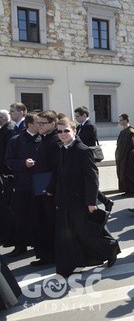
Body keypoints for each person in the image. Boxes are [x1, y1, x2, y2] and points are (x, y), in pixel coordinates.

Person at [48, 117, 120, 277]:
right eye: (59, 131)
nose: (63, 134)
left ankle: (110, 248)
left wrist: (90, 202)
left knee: (85, 232)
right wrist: (51, 191)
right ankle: (69, 266)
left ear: (74, 131)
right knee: (66, 234)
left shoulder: (84, 150)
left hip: (80, 201)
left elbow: (92, 179)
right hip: (64, 200)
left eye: (66, 130)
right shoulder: (60, 149)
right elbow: (58, 174)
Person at [4, 113, 40, 258]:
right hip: (22, 184)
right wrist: (23, 164)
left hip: (39, 185)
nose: (41, 125)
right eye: (39, 122)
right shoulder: (16, 140)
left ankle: (38, 243)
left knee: (38, 216)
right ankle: (21, 245)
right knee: (21, 216)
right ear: (30, 124)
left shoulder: (42, 139)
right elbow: (9, 161)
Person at [29, 111, 61, 266]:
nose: (39, 126)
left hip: (49, 190)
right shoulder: (46, 139)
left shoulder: (56, 140)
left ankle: (52, 256)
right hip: (41, 187)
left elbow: (57, 168)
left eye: (42, 123)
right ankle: (47, 255)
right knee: (42, 222)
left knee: (50, 223)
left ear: (53, 123)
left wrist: (50, 187)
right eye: (38, 123)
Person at [74, 106, 114, 212]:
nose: (76, 118)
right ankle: (106, 201)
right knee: (85, 182)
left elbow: (82, 140)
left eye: (78, 116)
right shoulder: (80, 126)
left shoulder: (89, 126)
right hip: (80, 157)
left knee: (89, 182)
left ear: (84, 115)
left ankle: (105, 201)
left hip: (87, 157)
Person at [115, 113, 134, 196]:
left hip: (129, 156)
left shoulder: (131, 131)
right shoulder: (122, 132)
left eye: (121, 120)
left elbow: (132, 145)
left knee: (130, 173)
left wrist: (125, 153)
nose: (120, 122)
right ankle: (126, 190)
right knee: (123, 173)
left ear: (125, 120)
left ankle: (131, 190)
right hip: (122, 156)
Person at [0, 110, 15, 246]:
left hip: (7, 174)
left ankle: (8, 237)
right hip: (4, 173)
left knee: (7, 207)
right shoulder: (5, 129)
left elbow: (6, 153)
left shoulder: (9, 130)